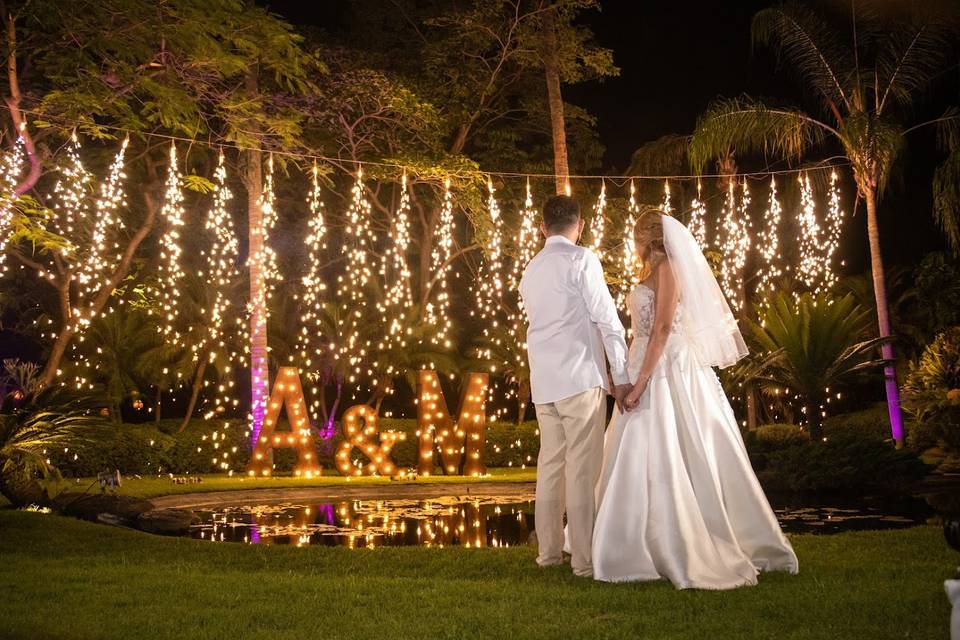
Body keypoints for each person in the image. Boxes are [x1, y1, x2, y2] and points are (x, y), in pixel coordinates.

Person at [591, 208, 799, 589]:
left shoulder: (669, 268)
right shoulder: (647, 275)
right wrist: (623, 375)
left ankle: (680, 540)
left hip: (671, 368)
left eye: (635, 237)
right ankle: (630, 538)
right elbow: (642, 329)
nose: (633, 245)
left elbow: (665, 327)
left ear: (646, 238)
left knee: (679, 446)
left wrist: (641, 384)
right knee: (634, 450)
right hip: (643, 358)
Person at [519, 194, 631, 578]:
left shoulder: (531, 269)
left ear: (542, 227)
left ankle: (549, 554)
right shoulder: (582, 260)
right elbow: (607, 321)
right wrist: (622, 373)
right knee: (582, 471)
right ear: (580, 226)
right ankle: (583, 561)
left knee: (550, 466)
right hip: (579, 378)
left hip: (544, 381)